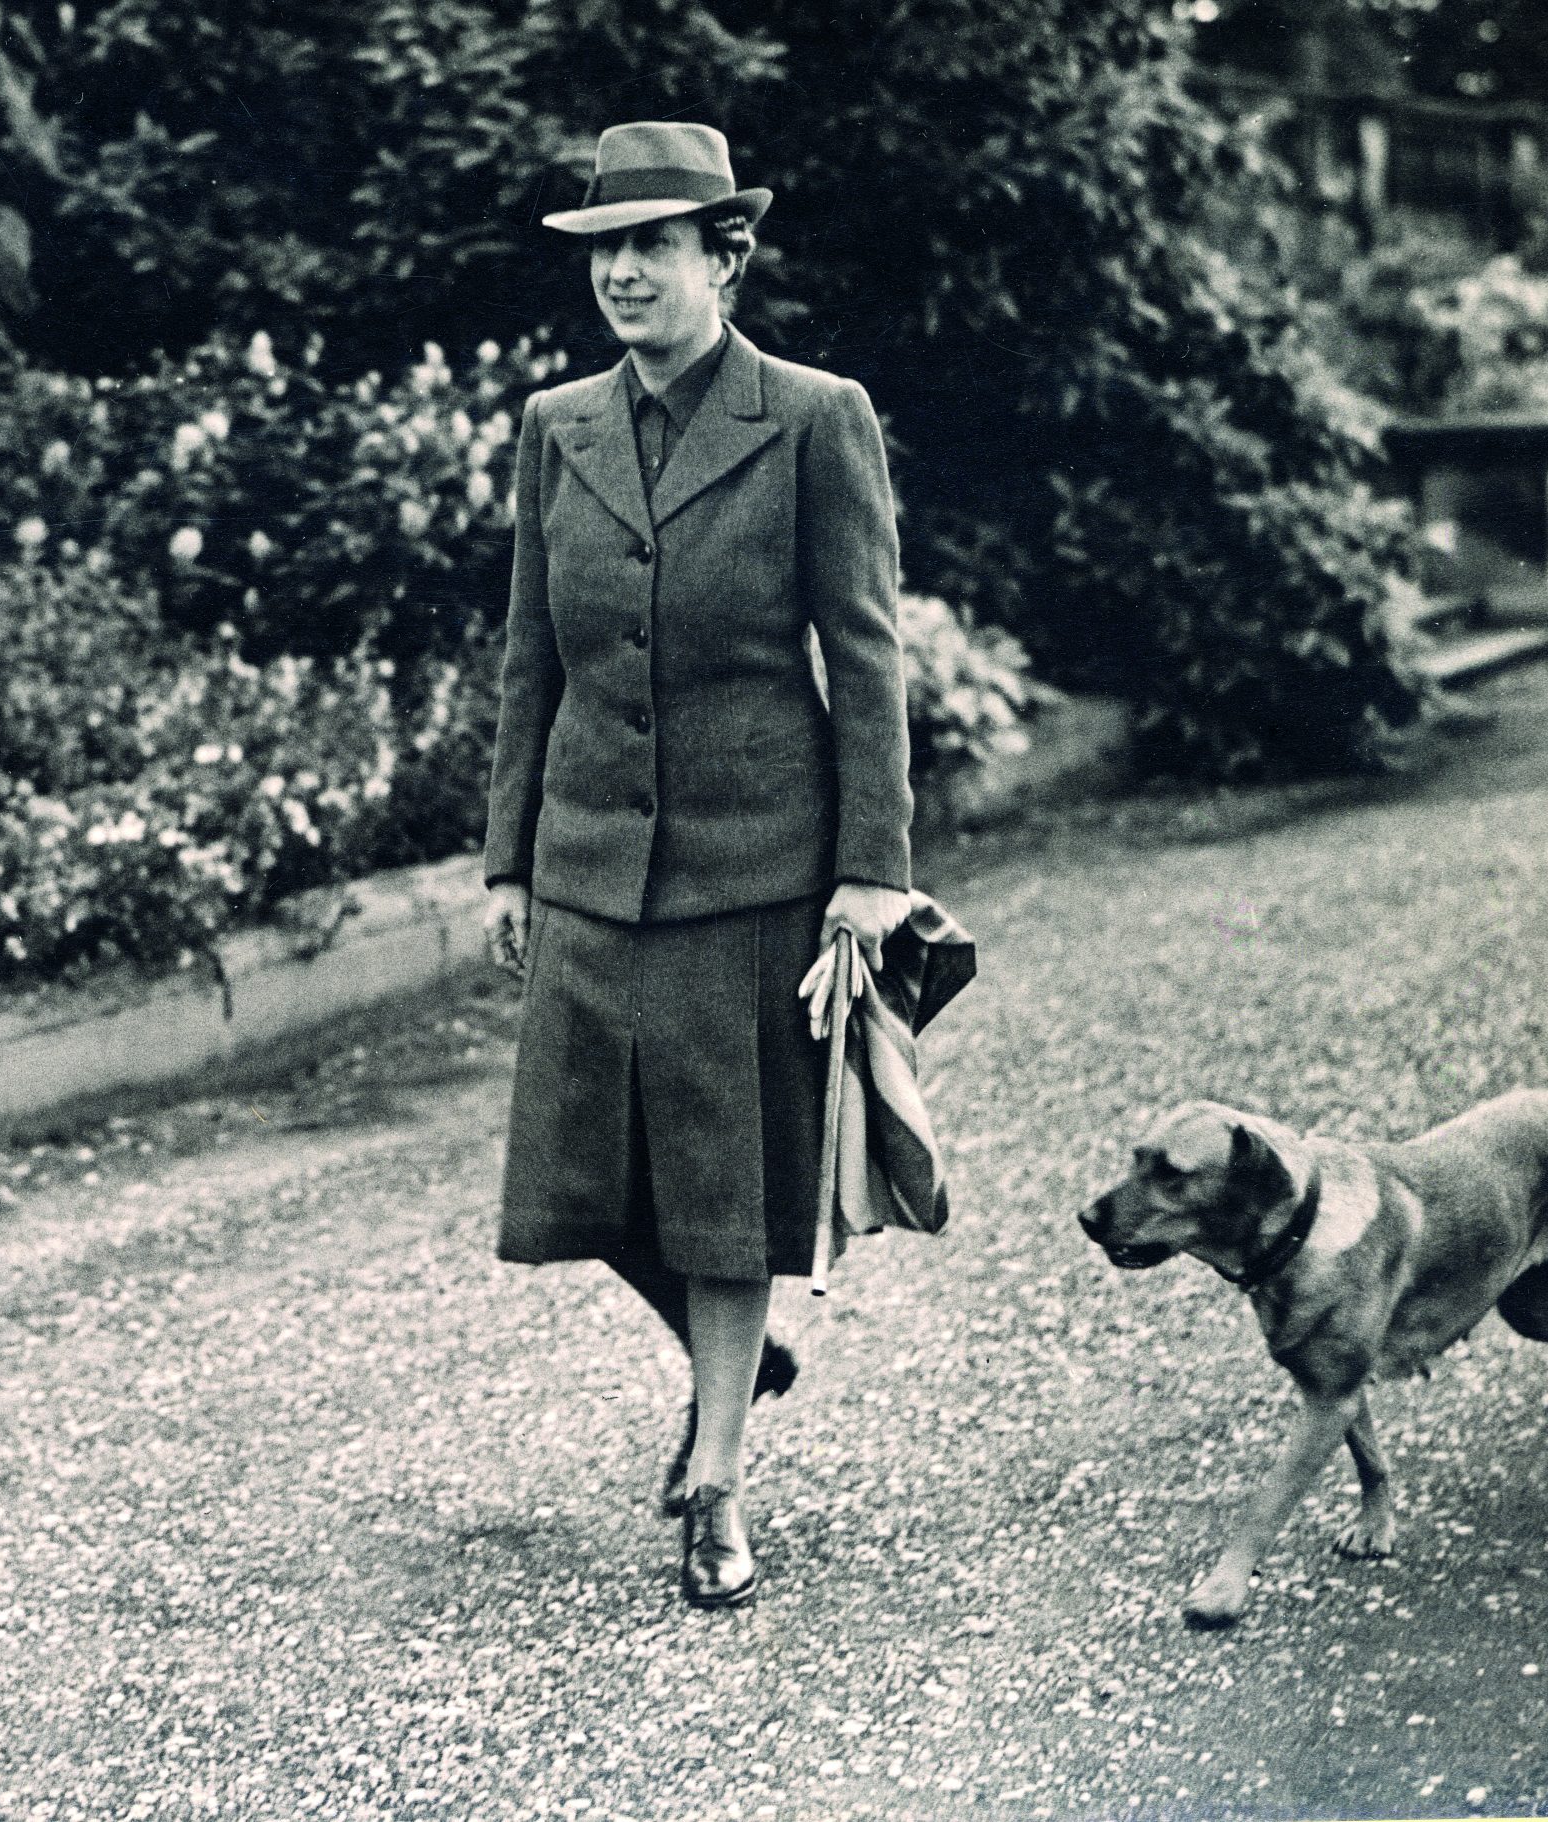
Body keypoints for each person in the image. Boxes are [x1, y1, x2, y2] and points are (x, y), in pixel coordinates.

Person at [481, 121, 916, 1609]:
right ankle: (741, 1349)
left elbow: (864, 655)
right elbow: (530, 649)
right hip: (594, 860)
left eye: (652, 245)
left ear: (723, 255)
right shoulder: (556, 424)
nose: (621, 273)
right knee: (583, 1180)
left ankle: (719, 1477)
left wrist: (873, 867)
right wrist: (506, 863)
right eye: (604, 248)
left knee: (727, 1184)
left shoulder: (813, 417)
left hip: (754, 868)